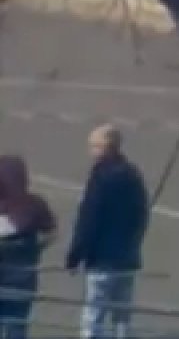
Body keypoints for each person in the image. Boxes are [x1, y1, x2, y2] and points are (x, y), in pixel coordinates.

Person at [65, 126, 148, 339]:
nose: (91, 151)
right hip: (127, 257)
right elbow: (141, 214)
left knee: (94, 315)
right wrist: (134, 242)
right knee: (122, 316)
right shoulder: (132, 174)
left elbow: (89, 219)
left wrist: (75, 255)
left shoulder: (100, 177)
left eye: (94, 146)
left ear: (106, 148)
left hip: (101, 259)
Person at [0, 155, 57, 339]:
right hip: (24, 278)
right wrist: (35, 248)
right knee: (17, 325)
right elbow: (51, 233)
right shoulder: (35, 204)